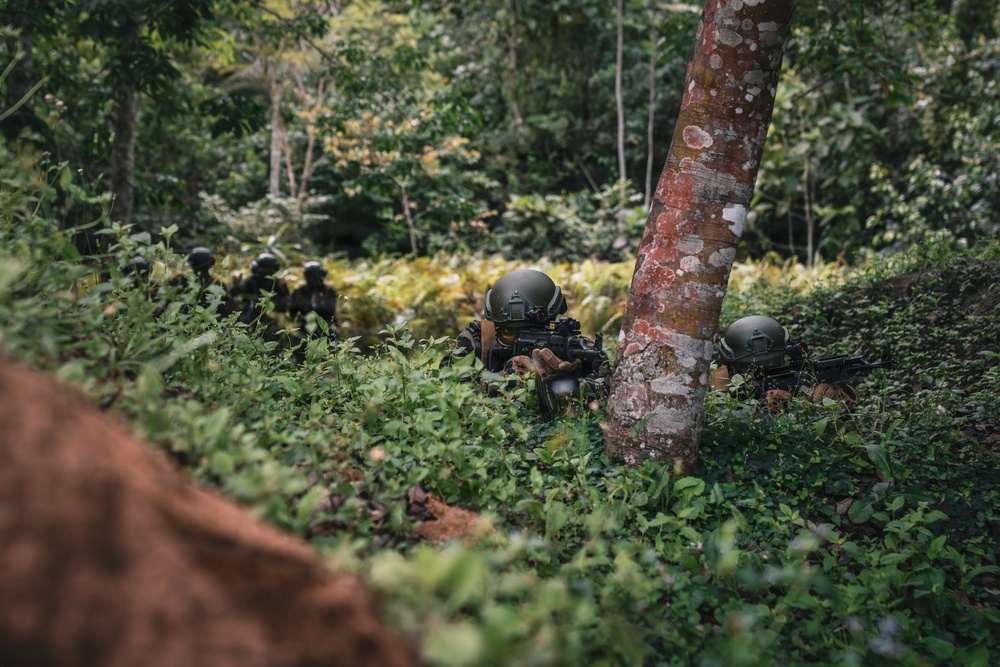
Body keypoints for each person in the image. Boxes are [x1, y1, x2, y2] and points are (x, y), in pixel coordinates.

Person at [444, 269, 610, 418]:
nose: (519, 338)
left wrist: (572, 380)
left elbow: (603, 400)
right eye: (508, 332)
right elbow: (447, 392)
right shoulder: (477, 338)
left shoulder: (574, 348)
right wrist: (501, 382)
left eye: (535, 330)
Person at [710, 315, 858, 413]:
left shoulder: (796, 376)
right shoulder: (716, 385)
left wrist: (819, 400)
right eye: (751, 368)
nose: (762, 372)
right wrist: (759, 410)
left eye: (772, 363)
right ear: (730, 364)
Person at [158, 247, 233, 317]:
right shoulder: (219, 284)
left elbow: (165, 304)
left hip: (187, 324)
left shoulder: (181, 280)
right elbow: (225, 311)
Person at [288, 261, 338, 363]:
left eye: (315, 276)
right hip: (305, 326)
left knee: (329, 351)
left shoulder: (328, 290)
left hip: (324, 325)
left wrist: (320, 301)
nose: (312, 279)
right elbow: (293, 312)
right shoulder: (299, 291)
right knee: (300, 351)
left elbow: (331, 311)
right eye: (310, 276)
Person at [230, 252, 290, 337]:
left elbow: (285, 306)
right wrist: (236, 285)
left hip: (269, 318)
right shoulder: (251, 280)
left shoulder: (277, 283)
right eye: (263, 268)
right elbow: (234, 293)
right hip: (249, 315)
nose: (266, 271)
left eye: (269, 269)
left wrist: (280, 291)